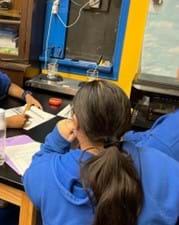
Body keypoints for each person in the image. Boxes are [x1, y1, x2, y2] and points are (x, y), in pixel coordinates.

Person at [23, 80, 179, 225]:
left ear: (75, 121)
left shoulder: (48, 173)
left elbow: (32, 176)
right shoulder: (167, 168)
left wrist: (54, 142)